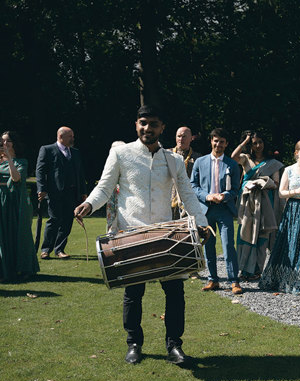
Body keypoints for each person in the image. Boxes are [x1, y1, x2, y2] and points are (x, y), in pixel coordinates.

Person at [74, 105, 209, 365]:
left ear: (162, 128)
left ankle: (175, 346)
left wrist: (201, 223)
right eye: (143, 123)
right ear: (136, 125)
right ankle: (134, 344)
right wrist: (89, 204)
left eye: (154, 124)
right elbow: (104, 187)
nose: (148, 128)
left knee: (175, 293)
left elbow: (187, 194)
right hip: (131, 235)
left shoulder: (173, 160)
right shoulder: (120, 153)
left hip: (166, 235)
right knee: (133, 294)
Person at [259, 139, 300, 295]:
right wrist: (296, 191)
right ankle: (286, 278)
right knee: (291, 242)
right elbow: (281, 192)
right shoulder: (289, 170)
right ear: (296, 153)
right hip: (293, 209)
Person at [190, 128, 243, 295]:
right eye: (215, 141)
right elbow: (193, 185)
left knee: (228, 245)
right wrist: (207, 196)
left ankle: (234, 281)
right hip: (205, 209)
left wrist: (224, 195)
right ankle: (213, 279)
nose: (218, 144)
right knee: (208, 246)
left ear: (226, 144)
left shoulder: (232, 164)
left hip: (224, 209)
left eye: (221, 141)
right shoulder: (200, 162)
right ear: (211, 141)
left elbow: (236, 189)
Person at [230, 131, 285, 280]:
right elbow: (233, 157)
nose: (258, 145)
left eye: (260, 142)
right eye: (254, 143)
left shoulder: (272, 163)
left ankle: (256, 270)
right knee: (245, 232)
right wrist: (244, 142)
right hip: (247, 202)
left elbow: (276, 184)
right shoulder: (246, 159)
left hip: (266, 201)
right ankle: (244, 269)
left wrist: (261, 183)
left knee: (262, 234)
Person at [36, 126, 87, 259]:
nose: (73, 138)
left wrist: (83, 192)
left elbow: (80, 174)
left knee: (67, 221)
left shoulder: (75, 152)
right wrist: (41, 188)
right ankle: (46, 249)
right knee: (54, 220)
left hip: (72, 193)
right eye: (70, 136)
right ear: (61, 137)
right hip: (54, 192)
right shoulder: (47, 150)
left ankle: (59, 250)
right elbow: (40, 170)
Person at [0, 131, 39, 280]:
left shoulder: (21, 161)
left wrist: (9, 158)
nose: (4, 144)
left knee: (19, 233)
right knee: (2, 234)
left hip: (16, 201)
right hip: (1, 199)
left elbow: (16, 178)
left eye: (7, 141)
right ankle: (4, 269)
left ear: (13, 143)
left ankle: (24, 268)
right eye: (2, 141)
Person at [170, 126, 202, 219]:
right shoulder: (166, 155)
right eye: (179, 136)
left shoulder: (198, 158)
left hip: (188, 203)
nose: (181, 139)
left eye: (184, 136)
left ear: (191, 138)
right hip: (167, 201)